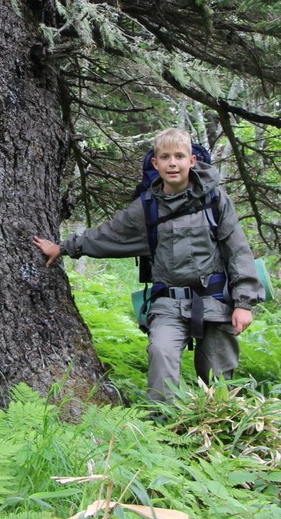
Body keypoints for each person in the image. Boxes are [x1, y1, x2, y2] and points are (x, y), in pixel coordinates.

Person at [32, 128, 264, 402]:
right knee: (161, 353)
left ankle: (217, 429)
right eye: (165, 157)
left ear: (192, 161)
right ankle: (165, 430)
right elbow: (109, 234)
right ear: (156, 163)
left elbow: (237, 250)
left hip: (215, 299)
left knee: (218, 379)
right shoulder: (146, 207)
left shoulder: (215, 200)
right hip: (167, 302)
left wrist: (243, 303)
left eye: (179, 156)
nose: (172, 163)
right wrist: (63, 248)